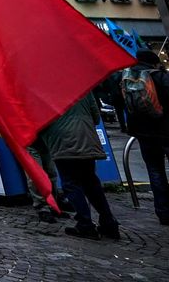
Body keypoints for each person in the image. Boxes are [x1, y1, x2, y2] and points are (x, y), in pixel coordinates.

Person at [42, 93, 119, 240]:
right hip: (86, 139)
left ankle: (85, 224)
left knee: (71, 183)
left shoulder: (46, 90)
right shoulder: (84, 88)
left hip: (63, 142)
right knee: (91, 182)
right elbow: (96, 118)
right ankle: (109, 222)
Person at [122, 49, 169, 226]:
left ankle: (163, 212)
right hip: (165, 129)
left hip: (142, 132)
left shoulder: (127, 78)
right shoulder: (160, 77)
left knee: (155, 171)